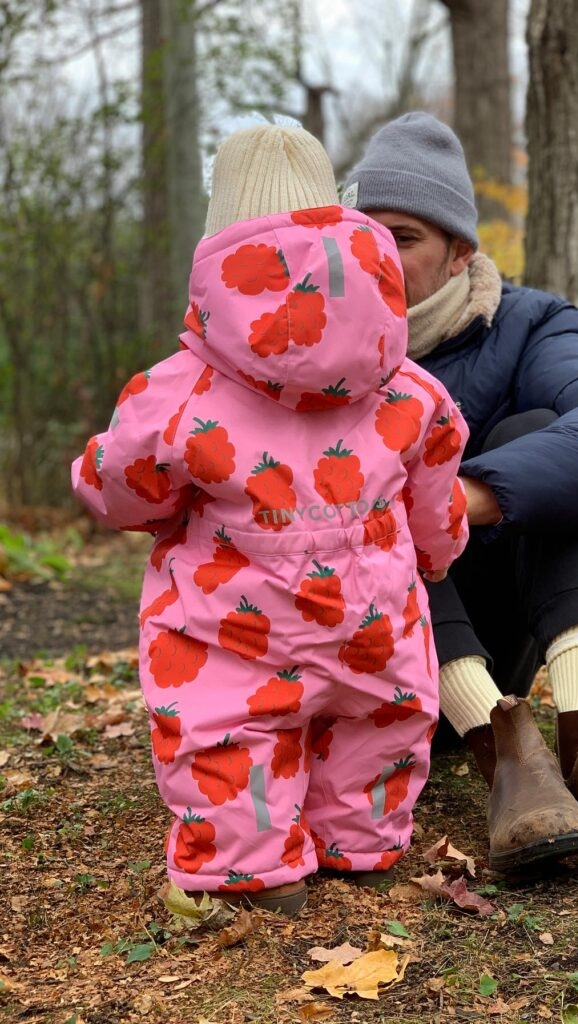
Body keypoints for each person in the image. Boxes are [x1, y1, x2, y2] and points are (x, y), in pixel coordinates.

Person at [71, 122, 469, 915]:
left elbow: (122, 493)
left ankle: (249, 866)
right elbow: (438, 515)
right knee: (377, 724)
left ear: (220, 245)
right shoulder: (411, 390)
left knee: (225, 734)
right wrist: (436, 555)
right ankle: (359, 842)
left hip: (233, 637)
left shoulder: (177, 391)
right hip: (375, 630)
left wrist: (111, 473)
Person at [341, 112, 578, 877]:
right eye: (360, 235)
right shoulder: (309, 345)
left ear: (461, 250)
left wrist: (468, 495)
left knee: (544, 437)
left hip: (496, 626)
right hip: (358, 658)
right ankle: (502, 757)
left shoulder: (531, 323)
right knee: (368, 478)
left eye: (400, 239)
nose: (373, 258)